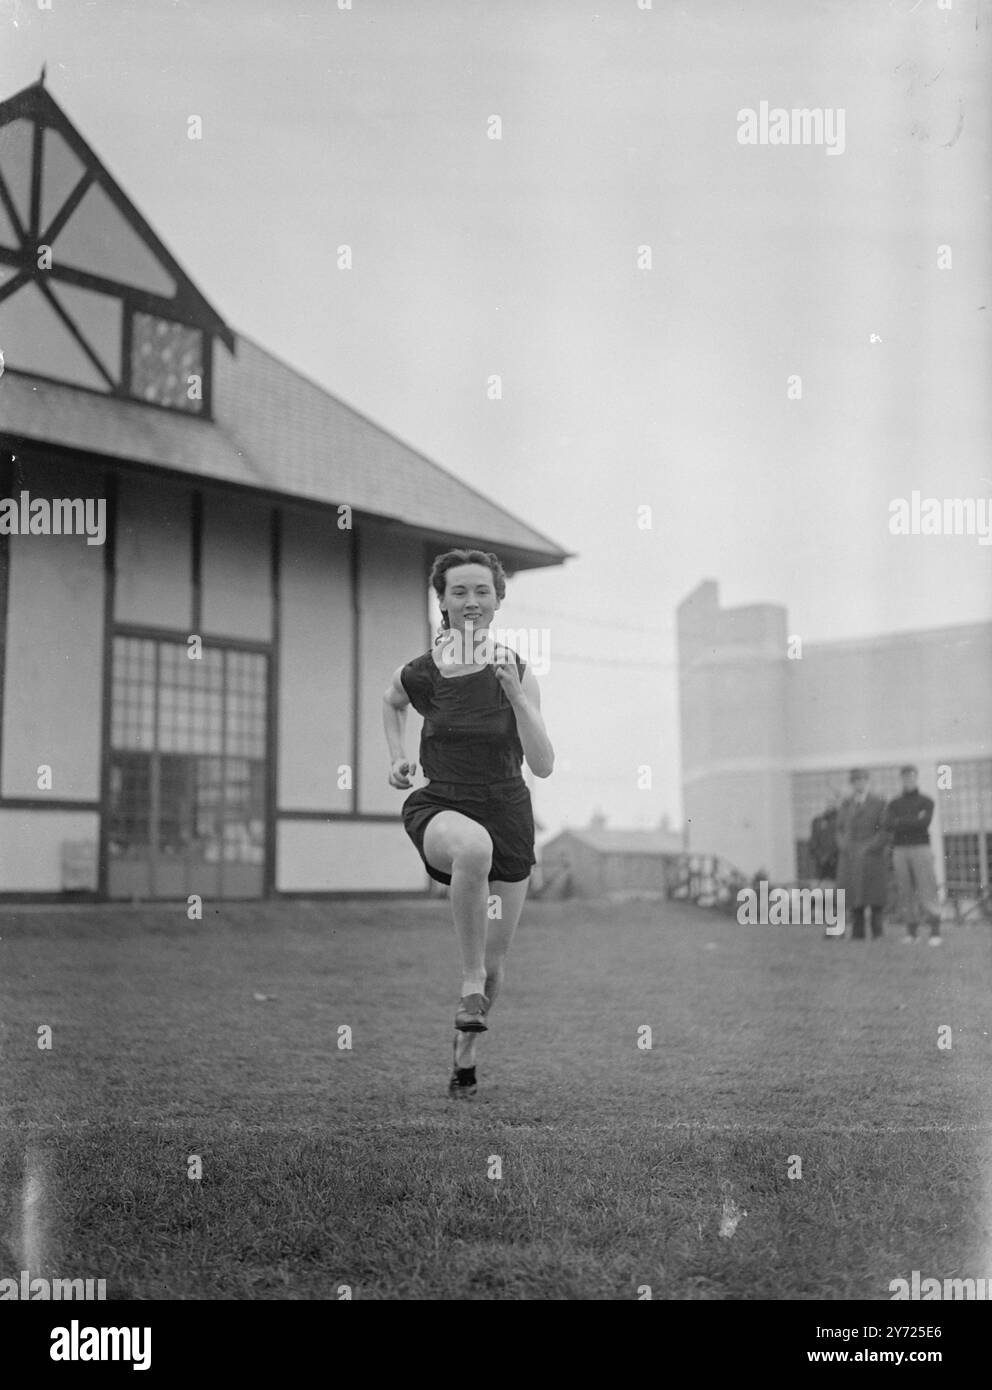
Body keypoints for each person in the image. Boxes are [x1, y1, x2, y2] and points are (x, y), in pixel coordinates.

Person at [382, 548, 555, 1098]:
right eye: (459, 591)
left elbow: (544, 765)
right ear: (443, 602)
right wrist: (396, 756)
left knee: (498, 962)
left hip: (508, 809)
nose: (472, 601)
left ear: (498, 601)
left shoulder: (517, 669)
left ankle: (465, 1052)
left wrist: (513, 697)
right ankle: (468, 978)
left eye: (482, 590)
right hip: (441, 806)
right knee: (472, 849)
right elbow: (391, 703)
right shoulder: (422, 673)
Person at [884, 765, 943, 946]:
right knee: (905, 890)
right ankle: (911, 932)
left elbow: (923, 823)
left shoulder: (927, 801)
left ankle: (935, 932)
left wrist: (901, 821)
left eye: (911, 777)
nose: (908, 780)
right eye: (905, 777)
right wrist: (912, 820)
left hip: (921, 848)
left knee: (927, 888)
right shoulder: (894, 803)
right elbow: (888, 824)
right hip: (900, 850)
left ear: (916, 778)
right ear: (901, 780)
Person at [836, 768, 889, 941]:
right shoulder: (845, 804)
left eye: (862, 780)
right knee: (854, 895)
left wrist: (869, 847)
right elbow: (838, 829)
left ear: (868, 782)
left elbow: (884, 830)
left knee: (874, 896)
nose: (859, 783)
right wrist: (845, 846)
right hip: (850, 856)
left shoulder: (879, 803)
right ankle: (857, 933)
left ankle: (877, 932)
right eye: (855, 780)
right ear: (852, 784)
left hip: (871, 856)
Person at [809, 793, 840, 881]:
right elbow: (813, 842)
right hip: (821, 864)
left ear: (837, 803)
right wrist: (821, 857)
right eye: (828, 801)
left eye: (833, 801)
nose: (830, 803)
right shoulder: (817, 821)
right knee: (822, 892)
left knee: (839, 892)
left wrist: (831, 856)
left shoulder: (842, 820)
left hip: (837, 862)